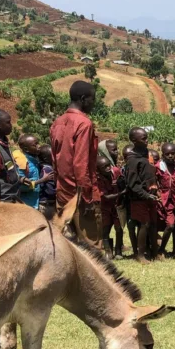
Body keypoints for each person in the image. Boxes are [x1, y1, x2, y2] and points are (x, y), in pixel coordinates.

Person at [50, 81, 101, 247]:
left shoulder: (57, 122)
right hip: (80, 195)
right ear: (83, 98)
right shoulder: (84, 124)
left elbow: (55, 159)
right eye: (92, 99)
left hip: (62, 192)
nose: (93, 103)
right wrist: (87, 197)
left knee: (65, 244)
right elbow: (81, 163)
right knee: (91, 246)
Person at [125, 128, 159, 264]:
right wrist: (145, 195)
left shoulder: (145, 154)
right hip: (139, 198)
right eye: (143, 138)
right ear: (134, 140)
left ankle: (153, 252)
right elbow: (132, 184)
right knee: (143, 224)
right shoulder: (133, 160)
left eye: (147, 137)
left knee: (151, 224)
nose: (147, 140)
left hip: (150, 195)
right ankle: (140, 255)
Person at [156, 143, 175, 257]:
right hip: (166, 200)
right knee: (170, 225)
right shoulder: (159, 167)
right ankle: (161, 249)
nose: (170, 156)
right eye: (167, 154)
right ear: (163, 155)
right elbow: (154, 180)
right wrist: (158, 194)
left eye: (173, 153)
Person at [97, 156, 124, 259]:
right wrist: (122, 193)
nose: (108, 168)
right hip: (105, 207)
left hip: (116, 206)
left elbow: (122, 181)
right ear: (98, 170)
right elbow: (106, 197)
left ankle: (118, 250)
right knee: (106, 229)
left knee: (119, 228)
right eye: (104, 167)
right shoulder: (98, 179)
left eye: (109, 165)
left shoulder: (116, 171)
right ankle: (108, 251)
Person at [13, 135, 51, 209]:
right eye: (35, 145)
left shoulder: (35, 159)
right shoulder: (22, 162)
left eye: (38, 143)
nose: (39, 146)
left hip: (35, 202)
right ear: (26, 149)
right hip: (26, 204)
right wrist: (42, 180)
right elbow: (21, 187)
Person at [38, 144, 56, 217]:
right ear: (46, 159)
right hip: (46, 205)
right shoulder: (48, 170)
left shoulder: (43, 167)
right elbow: (50, 190)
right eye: (53, 156)